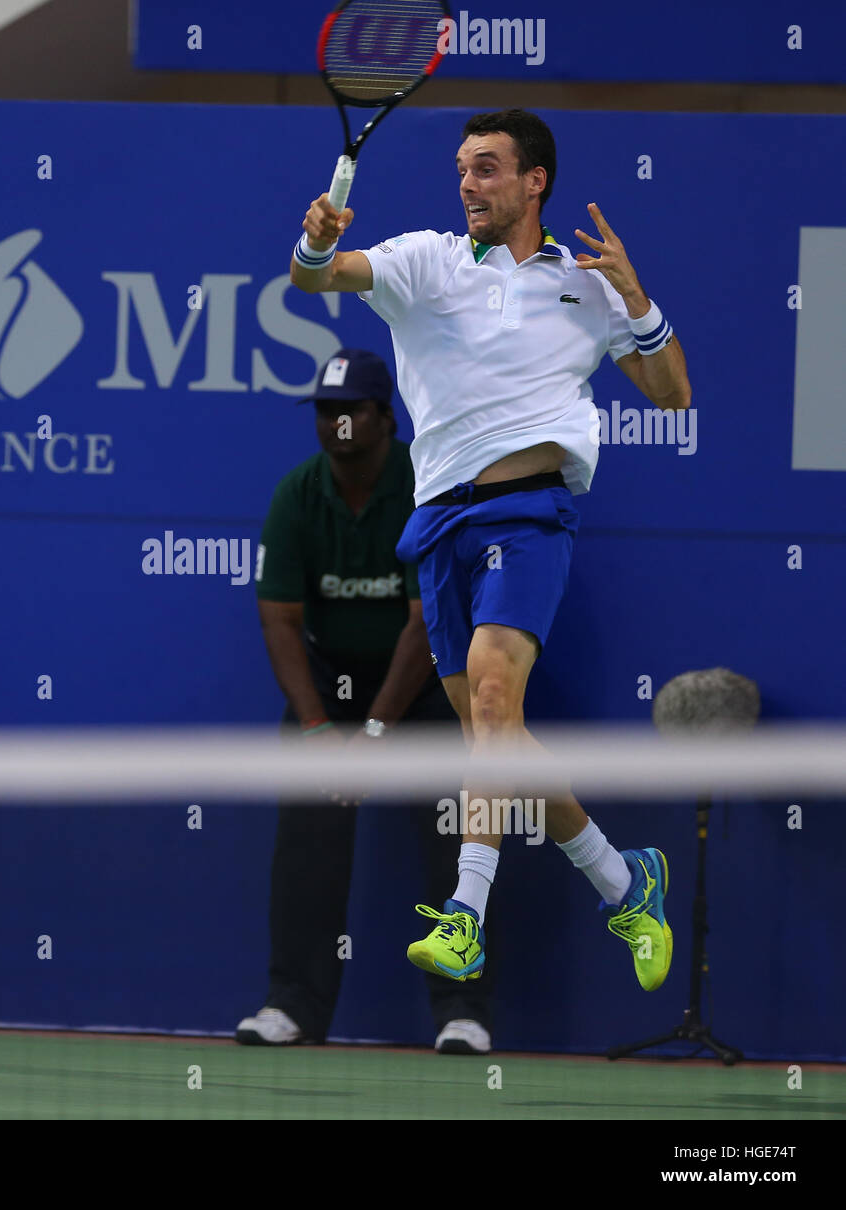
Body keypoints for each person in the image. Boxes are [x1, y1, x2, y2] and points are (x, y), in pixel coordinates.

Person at [289, 109, 692, 994]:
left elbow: (672, 396)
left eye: (487, 169)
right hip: (440, 525)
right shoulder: (424, 261)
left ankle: (465, 917)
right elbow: (314, 278)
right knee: (495, 739)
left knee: (496, 699)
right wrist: (316, 241)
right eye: (462, 170)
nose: (468, 185)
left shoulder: (585, 286)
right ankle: (627, 883)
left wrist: (639, 300)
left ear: (532, 180)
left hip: (529, 516)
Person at [236, 347, 495, 1055]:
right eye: (326, 411)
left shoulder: (427, 486)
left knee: (458, 839)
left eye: (351, 410)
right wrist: (320, 731)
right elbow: (280, 620)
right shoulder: (297, 494)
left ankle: (460, 1012)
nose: (337, 423)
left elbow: (424, 620)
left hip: (429, 685)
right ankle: (290, 1006)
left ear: (385, 417)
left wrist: (378, 734)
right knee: (306, 847)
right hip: (329, 689)